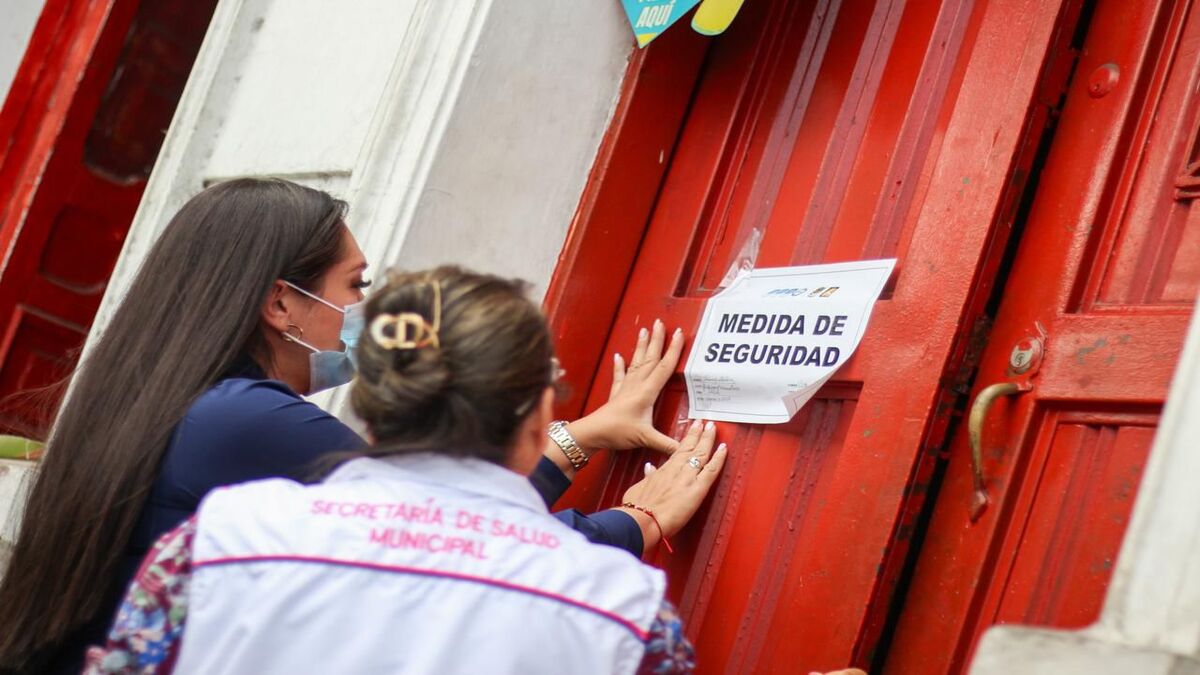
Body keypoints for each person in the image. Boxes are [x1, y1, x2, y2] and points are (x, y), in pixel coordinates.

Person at [0, 179, 710, 674]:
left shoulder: (192, 407)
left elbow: (454, 520)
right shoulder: (251, 420)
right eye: (355, 285)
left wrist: (575, 436)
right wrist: (637, 520)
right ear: (282, 302)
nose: (363, 310)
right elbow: (470, 547)